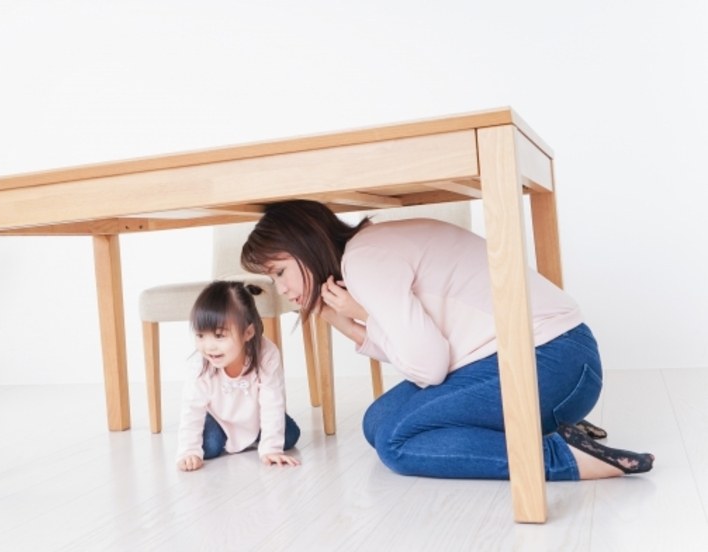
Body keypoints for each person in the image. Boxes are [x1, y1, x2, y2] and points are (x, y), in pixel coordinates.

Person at [240, 200, 653, 481]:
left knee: (396, 441)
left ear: (304, 245)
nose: (280, 288)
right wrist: (345, 320)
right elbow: (417, 347)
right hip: (549, 361)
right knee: (377, 421)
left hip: (549, 361)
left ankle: (566, 459)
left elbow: (429, 367)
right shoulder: (370, 248)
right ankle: (549, 427)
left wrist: (363, 314)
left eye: (279, 271)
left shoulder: (364, 260)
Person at [176, 280, 301, 471]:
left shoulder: (266, 354)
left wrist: (271, 448)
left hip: (256, 416)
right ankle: (239, 438)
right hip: (220, 419)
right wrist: (188, 451)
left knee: (290, 436)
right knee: (208, 445)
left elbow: (271, 402)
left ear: (248, 332)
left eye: (219, 336)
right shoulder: (199, 366)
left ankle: (255, 438)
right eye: (201, 335)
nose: (209, 346)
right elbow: (191, 410)